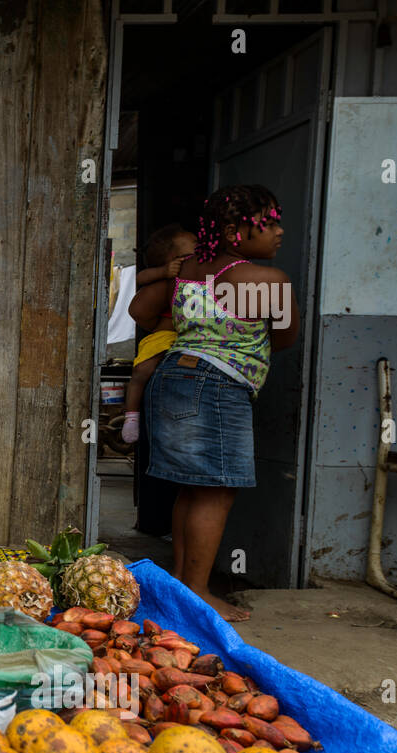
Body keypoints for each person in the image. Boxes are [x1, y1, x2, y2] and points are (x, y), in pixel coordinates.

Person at [129, 185, 300, 622]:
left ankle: (183, 587)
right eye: (269, 223)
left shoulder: (186, 269)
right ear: (231, 232)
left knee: (193, 487)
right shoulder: (266, 280)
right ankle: (199, 591)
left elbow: (140, 308)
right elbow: (284, 338)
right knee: (218, 491)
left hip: (172, 375)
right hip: (217, 384)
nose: (280, 231)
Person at [120, 224, 196, 443]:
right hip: (163, 336)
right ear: (172, 259)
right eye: (191, 253)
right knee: (141, 371)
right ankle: (131, 415)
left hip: (185, 340)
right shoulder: (164, 278)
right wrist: (164, 272)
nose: (197, 256)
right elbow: (140, 277)